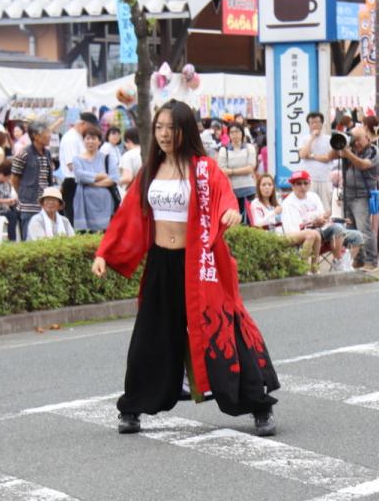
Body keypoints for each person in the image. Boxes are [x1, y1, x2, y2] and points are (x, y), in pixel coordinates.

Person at [92, 99, 279, 437]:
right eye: (159, 127)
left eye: (171, 128)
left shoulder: (205, 169)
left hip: (200, 264)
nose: (164, 134)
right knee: (149, 336)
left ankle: (258, 405)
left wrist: (229, 213)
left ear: (185, 130)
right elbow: (128, 218)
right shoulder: (149, 171)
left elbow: (223, 197)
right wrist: (104, 253)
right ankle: (132, 407)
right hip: (162, 263)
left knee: (222, 331)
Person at [259, 170, 324, 273]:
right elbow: (257, 224)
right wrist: (273, 213)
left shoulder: (276, 202)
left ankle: (314, 268)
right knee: (311, 234)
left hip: (285, 233)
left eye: (270, 185)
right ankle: (302, 268)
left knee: (316, 234)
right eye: (263, 185)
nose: (267, 187)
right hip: (277, 236)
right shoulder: (256, 204)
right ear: (258, 187)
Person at [336, 126, 379, 271]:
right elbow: (330, 156)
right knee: (351, 229)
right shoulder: (349, 149)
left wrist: (347, 153)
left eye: (358, 139)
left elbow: (363, 165)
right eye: (353, 140)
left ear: (367, 137)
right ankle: (359, 259)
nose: (356, 143)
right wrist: (339, 142)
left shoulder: (374, 151)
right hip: (348, 194)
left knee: (364, 230)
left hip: (363, 195)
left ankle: (371, 261)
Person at [10, 121, 55, 235]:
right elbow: (14, 178)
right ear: (35, 136)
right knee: (30, 237)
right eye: (46, 133)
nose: (49, 136)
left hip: (45, 204)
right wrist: (23, 194)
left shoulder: (47, 153)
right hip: (29, 205)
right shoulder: (24, 154)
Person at [72, 127, 117, 232]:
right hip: (84, 204)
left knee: (105, 233)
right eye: (87, 138)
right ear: (83, 141)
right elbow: (79, 176)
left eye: (93, 138)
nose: (90, 141)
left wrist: (92, 183)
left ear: (99, 141)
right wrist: (99, 176)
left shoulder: (107, 158)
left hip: (105, 204)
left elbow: (113, 178)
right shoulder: (77, 159)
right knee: (87, 234)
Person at [58, 113, 97, 224]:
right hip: (73, 182)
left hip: (81, 182)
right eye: (90, 127)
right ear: (83, 124)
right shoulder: (70, 138)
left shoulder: (79, 137)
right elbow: (72, 165)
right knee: (74, 219)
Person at [297, 111, 336, 214]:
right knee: (310, 208)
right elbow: (303, 155)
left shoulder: (329, 139)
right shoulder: (304, 139)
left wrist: (312, 156)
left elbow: (328, 157)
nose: (315, 125)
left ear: (322, 123)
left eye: (317, 122)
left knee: (326, 208)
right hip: (310, 179)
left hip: (325, 178)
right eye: (312, 123)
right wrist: (312, 138)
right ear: (308, 124)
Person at [218, 122, 257, 216]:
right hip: (231, 190)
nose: (235, 134)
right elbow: (222, 170)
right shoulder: (224, 150)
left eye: (237, 131)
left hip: (249, 189)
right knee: (235, 219)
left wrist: (231, 171)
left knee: (250, 218)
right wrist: (242, 170)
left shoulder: (249, 148)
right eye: (232, 132)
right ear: (228, 135)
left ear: (242, 133)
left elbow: (250, 168)